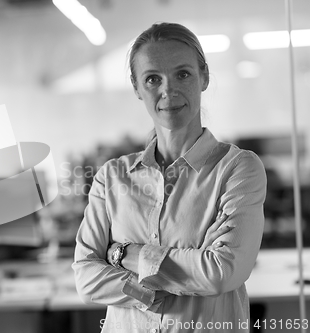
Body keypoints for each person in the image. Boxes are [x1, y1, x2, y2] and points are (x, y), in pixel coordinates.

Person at [72, 22, 266, 333]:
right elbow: (85, 278)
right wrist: (162, 285)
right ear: (137, 88)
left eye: (183, 74)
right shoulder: (112, 178)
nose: (168, 90)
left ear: (203, 77)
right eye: (152, 79)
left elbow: (221, 272)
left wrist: (123, 254)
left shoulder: (237, 169)